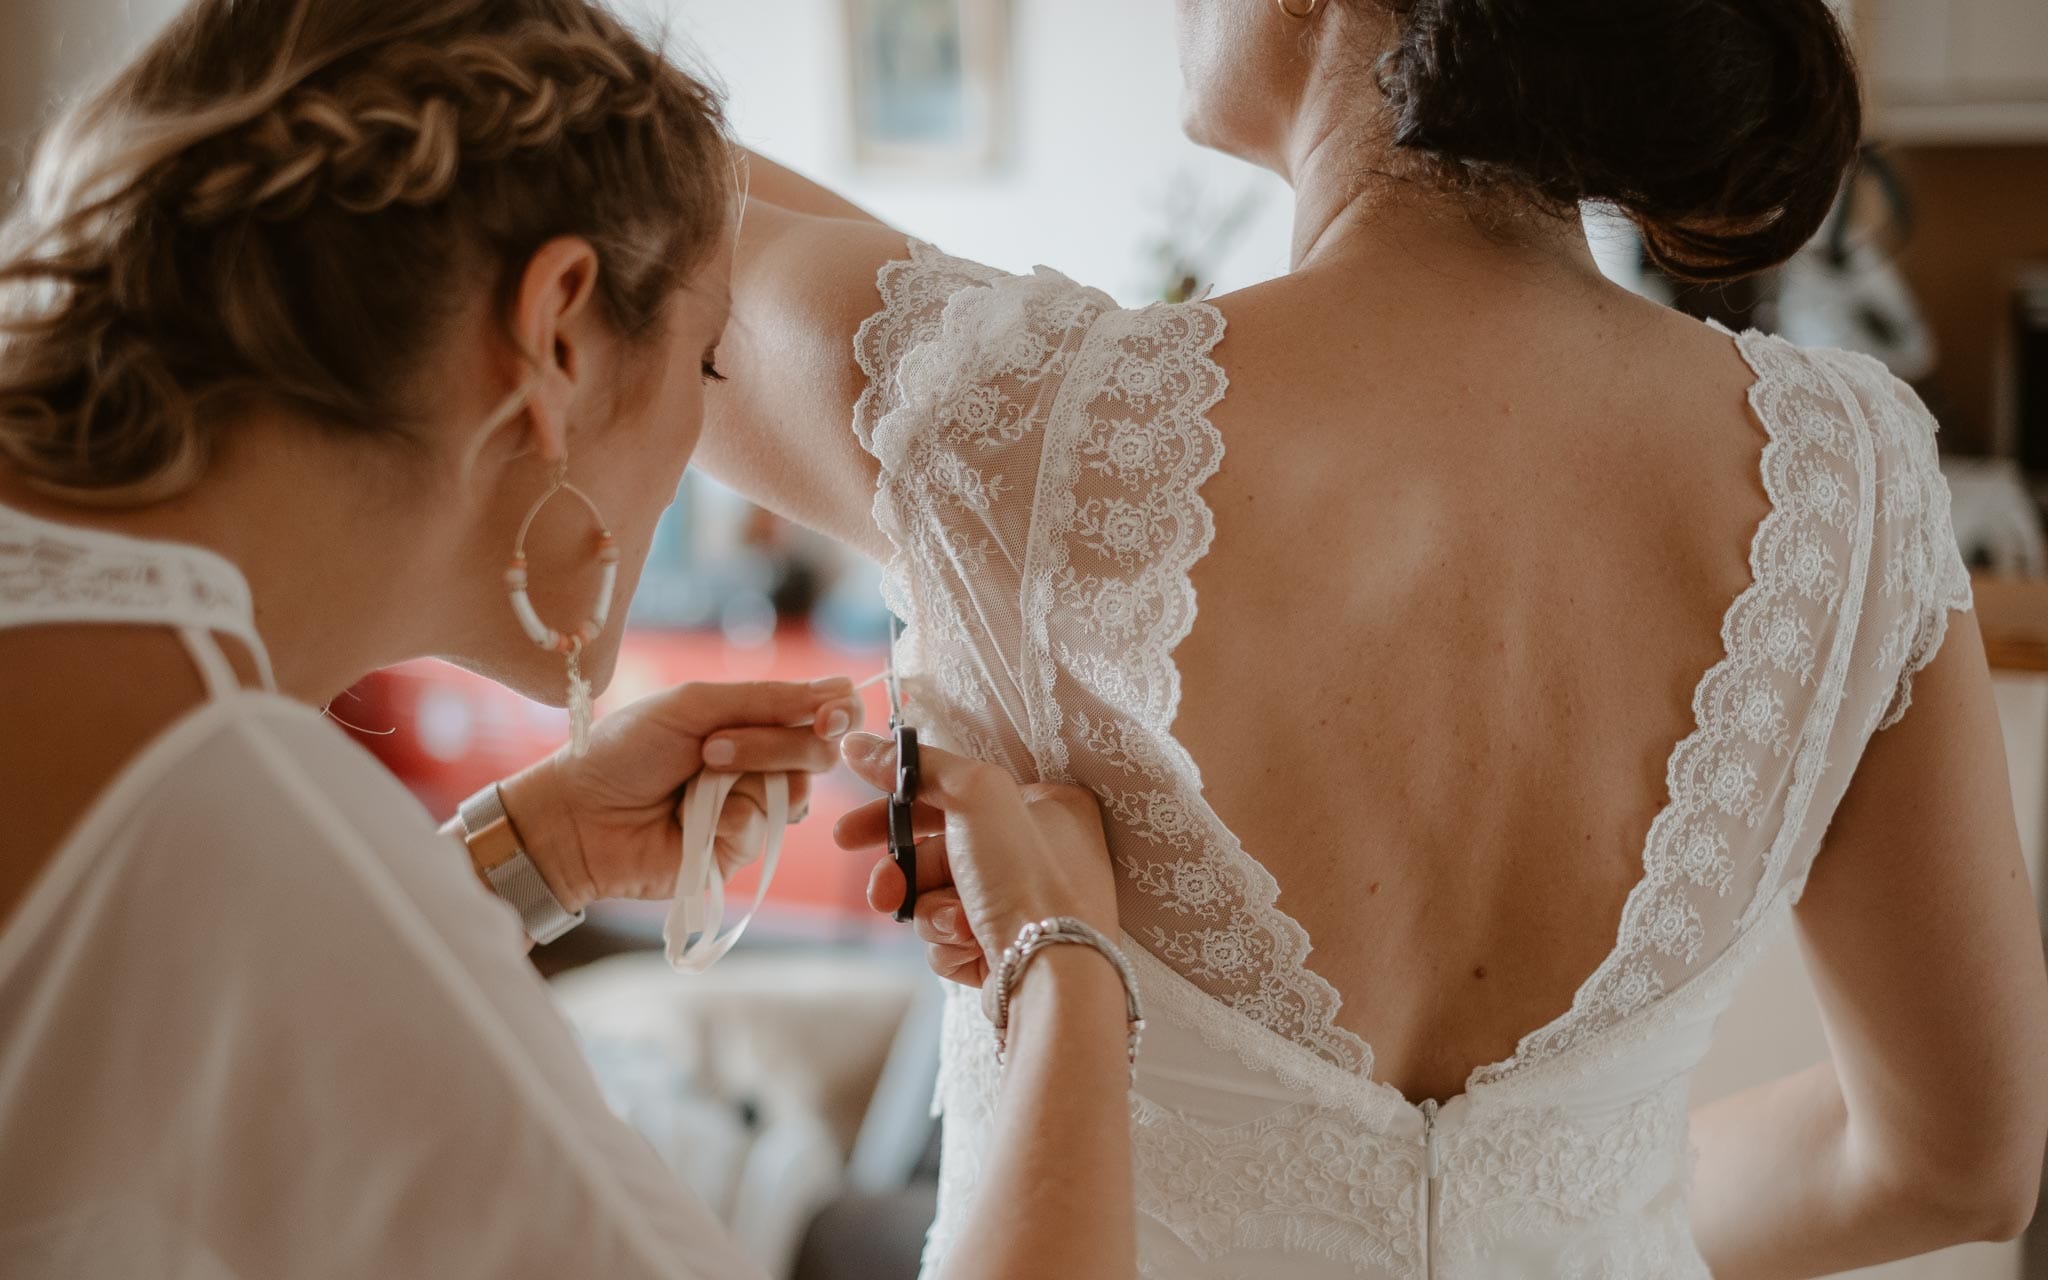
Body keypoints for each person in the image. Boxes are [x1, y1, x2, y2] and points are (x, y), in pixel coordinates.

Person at [696, 0, 2048, 1276]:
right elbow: (1955, 1162)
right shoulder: (1849, 481)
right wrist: (1569, 1217)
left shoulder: (1001, 421)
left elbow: (604, 202)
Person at [0, 2, 1140, 1278]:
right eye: (710, 367)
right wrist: (1066, 971)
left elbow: (142, 1008)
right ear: (556, 331)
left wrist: (522, 853)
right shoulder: (219, 790)